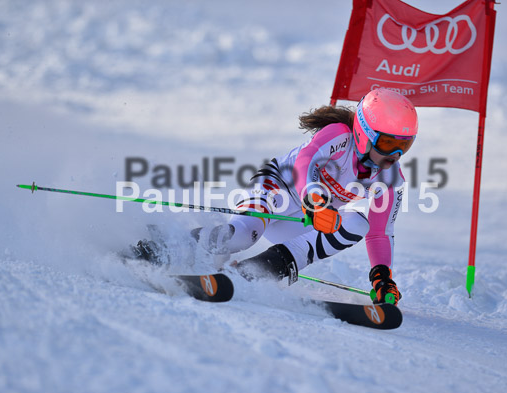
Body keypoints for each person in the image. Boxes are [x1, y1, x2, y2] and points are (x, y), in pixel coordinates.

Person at [133, 88, 418, 305]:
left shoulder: (390, 179)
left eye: (404, 145)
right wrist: (315, 199)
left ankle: (256, 271)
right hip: (277, 189)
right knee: (242, 236)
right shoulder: (339, 135)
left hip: (305, 218)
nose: (395, 155)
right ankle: (166, 247)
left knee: (359, 223)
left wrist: (382, 277)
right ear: (365, 133)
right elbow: (305, 161)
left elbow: (382, 233)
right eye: (389, 143)